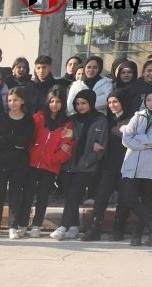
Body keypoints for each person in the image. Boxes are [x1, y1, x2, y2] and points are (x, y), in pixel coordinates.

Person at [52, 89, 108, 241]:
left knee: (73, 195)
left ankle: (63, 226)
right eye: (77, 103)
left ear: (91, 103)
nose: (80, 106)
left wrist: (87, 161)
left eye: (83, 103)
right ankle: (74, 227)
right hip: (69, 164)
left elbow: (101, 147)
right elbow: (65, 140)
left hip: (86, 166)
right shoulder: (72, 120)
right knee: (71, 196)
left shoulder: (100, 119)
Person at [120, 88, 152, 246]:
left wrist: (139, 140)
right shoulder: (138, 115)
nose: (151, 103)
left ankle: (137, 234)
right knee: (128, 197)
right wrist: (148, 142)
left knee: (148, 201)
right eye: (149, 100)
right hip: (132, 163)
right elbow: (126, 139)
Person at [0, 87, 35, 239]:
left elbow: (25, 141)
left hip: (19, 163)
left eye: (15, 100)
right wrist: (13, 141)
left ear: (22, 101)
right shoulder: (1, 118)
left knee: (15, 196)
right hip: (1, 162)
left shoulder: (28, 119)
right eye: (9, 100)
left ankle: (13, 227)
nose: (12, 103)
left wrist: (6, 139)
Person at [84, 93, 133, 241]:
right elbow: (97, 136)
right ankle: (95, 227)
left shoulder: (132, 120)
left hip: (126, 166)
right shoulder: (106, 119)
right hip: (108, 166)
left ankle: (119, 228)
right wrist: (95, 143)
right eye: (109, 102)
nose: (112, 105)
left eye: (116, 102)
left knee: (124, 199)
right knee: (101, 197)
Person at [25, 90, 74, 237]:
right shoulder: (38, 118)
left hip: (50, 167)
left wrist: (53, 160)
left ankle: (36, 226)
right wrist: (30, 154)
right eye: (52, 101)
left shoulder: (67, 123)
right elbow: (28, 138)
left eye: (58, 101)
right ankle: (22, 224)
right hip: (32, 164)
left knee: (42, 197)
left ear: (63, 103)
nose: (54, 104)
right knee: (27, 196)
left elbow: (67, 148)